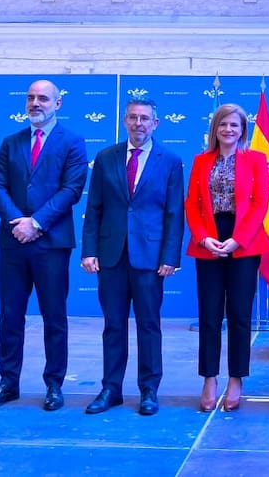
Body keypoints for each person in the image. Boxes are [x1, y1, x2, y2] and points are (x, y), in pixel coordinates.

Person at [0, 80, 88, 412]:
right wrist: (18, 222)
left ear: (58, 104)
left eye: (43, 98)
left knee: (54, 316)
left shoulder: (72, 142)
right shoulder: (11, 142)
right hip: (13, 241)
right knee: (10, 316)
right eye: (31, 98)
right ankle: (8, 382)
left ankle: (54, 384)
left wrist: (36, 223)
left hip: (51, 243)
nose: (35, 103)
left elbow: (71, 189)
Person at [81, 97, 184, 416]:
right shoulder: (106, 157)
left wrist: (170, 255)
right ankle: (111, 388)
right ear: (125, 121)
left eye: (145, 119)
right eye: (133, 118)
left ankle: (149, 390)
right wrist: (89, 250)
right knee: (113, 325)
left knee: (149, 325)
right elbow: (93, 208)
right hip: (111, 256)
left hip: (151, 258)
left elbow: (174, 213)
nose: (138, 123)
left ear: (155, 123)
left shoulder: (170, 160)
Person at [185, 103, 269, 412]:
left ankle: (236, 378)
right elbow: (192, 204)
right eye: (223, 125)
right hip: (208, 240)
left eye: (234, 125)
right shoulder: (201, 160)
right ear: (215, 129)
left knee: (238, 314)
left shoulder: (256, 160)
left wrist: (238, 240)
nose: (228, 130)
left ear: (242, 129)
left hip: (243, 242)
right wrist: (203, 237)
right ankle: (209, 377)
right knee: (209, 316)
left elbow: (262, 202)